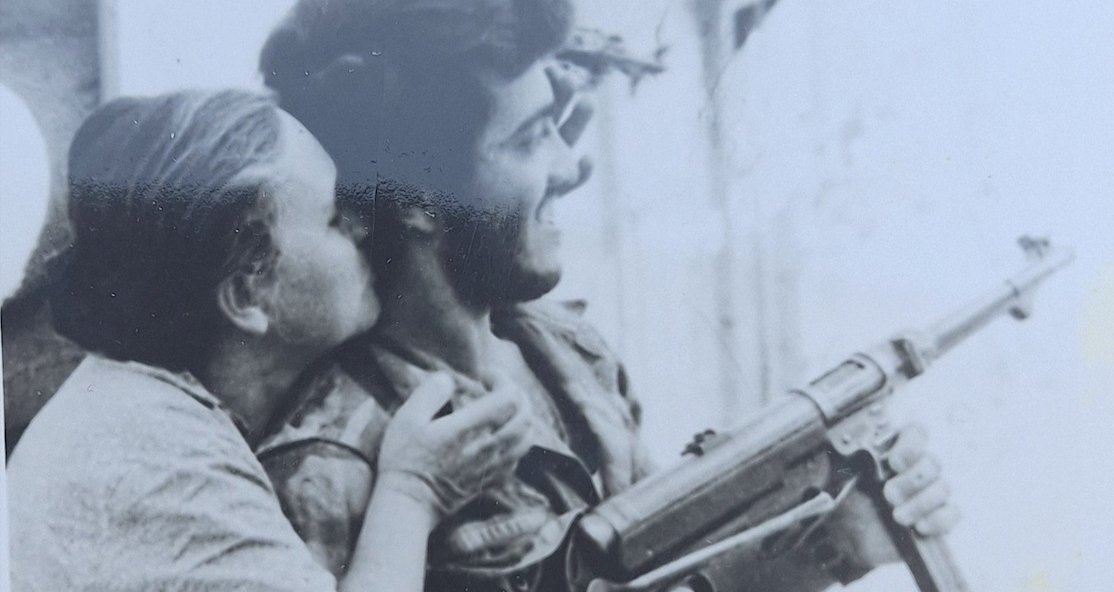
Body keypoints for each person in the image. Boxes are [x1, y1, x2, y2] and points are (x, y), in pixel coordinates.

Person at [256, 1, 958, 590]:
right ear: (418, 200)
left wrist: (836, 545)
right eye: (531, 139)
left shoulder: (570, 354)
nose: (569, 166)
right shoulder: (330, 463)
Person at [6, 89, 532, 591]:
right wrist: (414, 490)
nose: (363, 229)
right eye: (334, 218)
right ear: (247, 294)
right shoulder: (165, 468)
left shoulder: (134, 406)